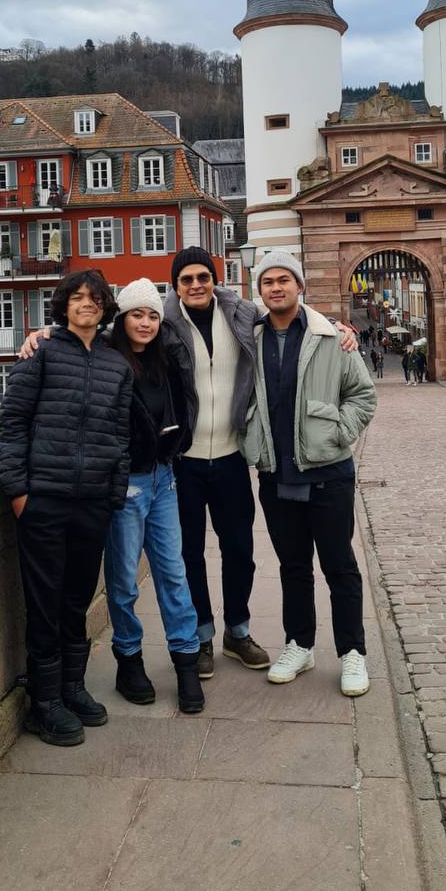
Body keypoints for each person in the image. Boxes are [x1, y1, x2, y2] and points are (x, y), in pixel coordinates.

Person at [165, 247, 359, 680]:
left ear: (216, 280)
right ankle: (201, 637)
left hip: (234, 456)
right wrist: (45, 334)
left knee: (241, 551)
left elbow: (295, 318)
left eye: (203, 277)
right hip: (185, 461)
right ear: (175, 285)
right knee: (189, 554)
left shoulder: (242, 315)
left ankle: (238, 631)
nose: (196, 285)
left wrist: (340, 328)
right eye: (186, 279)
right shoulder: (162, 324)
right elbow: (117, 334)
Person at [0, 271, 133, 747]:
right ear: (63, 306)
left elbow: (120, 436)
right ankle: (44, 702)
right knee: (45, 602)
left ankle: (71, 688)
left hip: (93, 501)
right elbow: (12, 423)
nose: (86, 305)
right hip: (45, 499)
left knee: (76, 598)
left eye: (94, 299)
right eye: (77, 298)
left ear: (104, 307)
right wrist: (19, 493)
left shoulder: (117, 365)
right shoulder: (43, 353)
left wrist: (113, 495)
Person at [241, 251, 377, 697]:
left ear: (300, 286)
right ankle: (300, 644)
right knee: (293, 566)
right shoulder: (251, 339)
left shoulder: (330, 336)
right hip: (275, 473)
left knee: (340, 566)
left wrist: (340, 432)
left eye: (284, 280)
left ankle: (352, 653)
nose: (276, 288)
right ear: (259, 292)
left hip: (328, 472)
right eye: (267, 282)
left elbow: (362, 395)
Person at [104, 278, 204, 715]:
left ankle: (185, 661)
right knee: (124, 580)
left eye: (151, 315)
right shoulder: (106, 359)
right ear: (122, 317)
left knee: (173, 574)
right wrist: (42, 333)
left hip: (163, 477)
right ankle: (129, 661)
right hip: (126, 483)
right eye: (136, 314)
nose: (145, 323)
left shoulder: (167, 357)